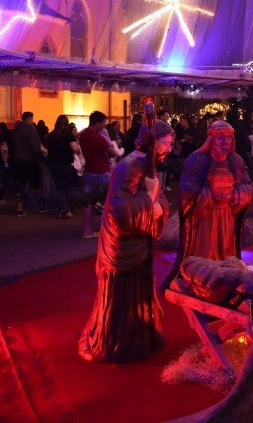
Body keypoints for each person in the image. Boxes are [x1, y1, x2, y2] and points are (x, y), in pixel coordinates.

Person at [78, 120, 173, 363]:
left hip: (139, 243)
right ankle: (119, 341)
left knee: (138, 291)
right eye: (166, 143)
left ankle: (140, 337)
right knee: (123, 295)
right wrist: (151, 199)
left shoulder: (146, 164)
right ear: (153, 142)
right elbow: (120, 210)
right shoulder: (129, 166)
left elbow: (157, 199)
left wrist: (158, 206)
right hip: (123, 247)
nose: (169, 149)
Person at [177, 120, 253, 261]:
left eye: (228, 138)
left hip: (227, 215)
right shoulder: (196, 160)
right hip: (205, 217)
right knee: (204, 253)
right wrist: (206, 194)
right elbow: (184, 187)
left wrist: (235, 194)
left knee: (226, 252)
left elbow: (247, 185)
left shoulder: (236, 161)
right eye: (220, 137)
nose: (225, 142)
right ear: (211, 139)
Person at [79, 111, 117, 238]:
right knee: (109, 201)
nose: (105, 125)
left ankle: (87, 230)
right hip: (101, 172)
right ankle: (108, 229)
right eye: (104, 122)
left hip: (88, 171)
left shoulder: (83, 135)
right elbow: (113, 153)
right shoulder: (98, 138)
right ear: (98, 123)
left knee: (88, 202)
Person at [9, 111, 47, 217]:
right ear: (30, 119)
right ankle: (40, 205)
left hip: (17, 160)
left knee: (20, 185)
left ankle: (19, 208)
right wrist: (41, 157)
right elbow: (35, 146)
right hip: (29, 160)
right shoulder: (31, 130)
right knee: (37, 183)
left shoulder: (15, 131)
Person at [47, 115, 80, 219]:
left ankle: (61, 209)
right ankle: (69, 209)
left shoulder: (51, 135)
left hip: (53, 164)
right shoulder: (68, 135)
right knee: (70, 186)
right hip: (66, 164)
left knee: (59, 188)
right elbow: (75, 149)